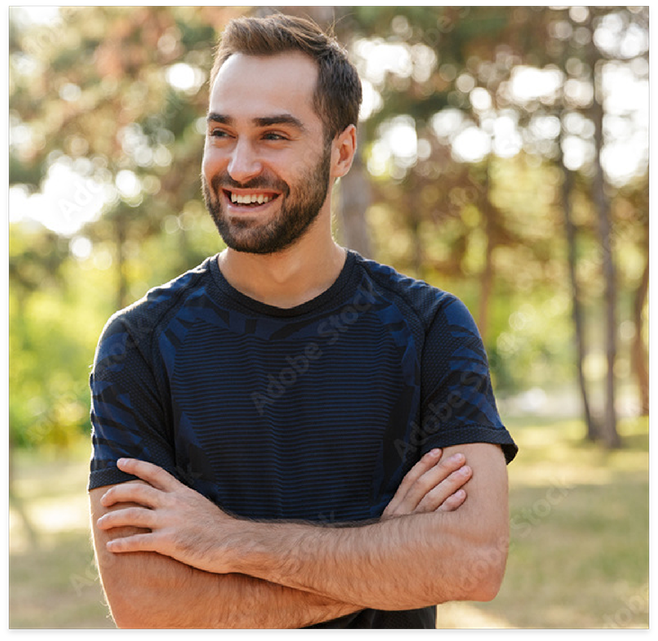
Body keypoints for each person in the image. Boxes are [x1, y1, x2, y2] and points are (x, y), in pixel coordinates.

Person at [88, 13, 518, 629]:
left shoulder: (430, 328)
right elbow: (146, 604)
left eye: (274, 136)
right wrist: (385, 552)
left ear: (341, 151)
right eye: (221, 133)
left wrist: (224, 540)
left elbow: (473, 561)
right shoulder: (139, 345)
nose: (238, 167)